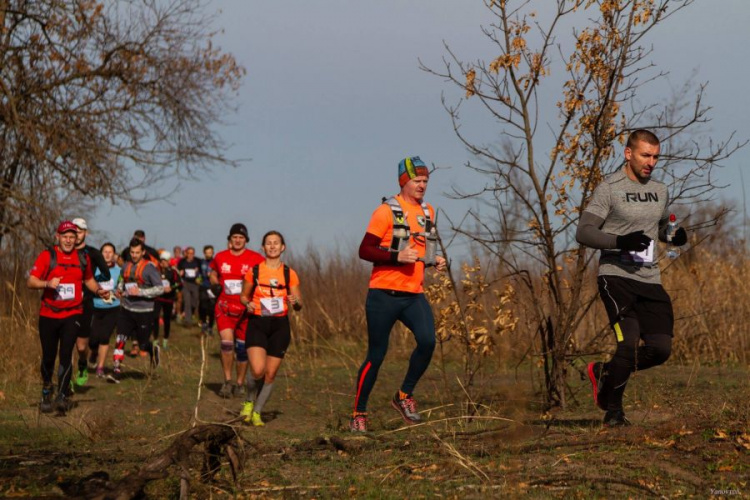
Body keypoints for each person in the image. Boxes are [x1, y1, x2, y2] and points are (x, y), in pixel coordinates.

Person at [576, 129, 688, 427]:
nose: (651, 162)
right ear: (628, 153)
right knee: (627, 345)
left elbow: (662, 228)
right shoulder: (609, 188)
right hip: (616, 278)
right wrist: (619, 241)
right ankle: (614, 413)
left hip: (649, 280)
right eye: (645, 155)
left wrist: (674, 236)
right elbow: (584, 232)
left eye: (655, 157)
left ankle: (604, 372)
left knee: (660, 349)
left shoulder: (660, 190)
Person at [350, 156, 447, 432]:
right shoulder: (386, 211)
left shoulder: (428, 211)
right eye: (417, 181)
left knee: (428, 342)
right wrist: (396, 257)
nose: (422, 186)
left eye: (426, 181)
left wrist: (434, 261)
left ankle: (404, 395)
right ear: (404, 181)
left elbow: (421, 251)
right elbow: (364, 250)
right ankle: (359, 414)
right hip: (382, 294)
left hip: (413, 294)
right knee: (377, 355)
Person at [27, 221, 108, 414]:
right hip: (48, 314)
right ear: (58, 237)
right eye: (65, 236)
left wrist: (98, 290)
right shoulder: (48, 256)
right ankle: (47, 389)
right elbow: (31, 281)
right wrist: (47, 283)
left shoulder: (82, 258)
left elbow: (88, 279)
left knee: (65, 353)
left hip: (73, 313)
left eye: (72, 236)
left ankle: (62, 395)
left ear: (77, 238)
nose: (69, 240)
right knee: (48, 356)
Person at [238, 231, 302, 426]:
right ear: (263, 248)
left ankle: (257, 412)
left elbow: (299, 304)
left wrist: (295, 301)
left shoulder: (289, 273)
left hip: (280, 326)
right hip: (258, 322)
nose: (273, 246)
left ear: (283, 247)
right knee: (257, 370)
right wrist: (247, 304)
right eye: (269, 243)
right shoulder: (254, 271)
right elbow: (243, 296)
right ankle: (249, 400)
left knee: (270, 374)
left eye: (276, 243)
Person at [209, 223, 264, 398]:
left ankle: (239, 383)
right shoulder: (220, 257)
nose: (238, 240)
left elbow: (263, 278)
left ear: (246, 240)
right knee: (226, 344)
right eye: (234, 237)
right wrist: (215, 283)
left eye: (241, 237)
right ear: (230, 240)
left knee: (241, 349)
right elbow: (212, 273)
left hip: (246, 311)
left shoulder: (255, 258)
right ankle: (227, 381)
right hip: (224, 308)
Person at [113, 238, 164, 380]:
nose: (134, 255)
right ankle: (116, 369)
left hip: (144, 311)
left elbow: (160, 289)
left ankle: (152, 350)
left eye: (137, 252)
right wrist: (119, 290)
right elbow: (122, 281)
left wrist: (140, 292)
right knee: (120, 338)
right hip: (127, 309)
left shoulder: (149, 268)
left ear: (143, 252)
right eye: (132, 252)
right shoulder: (126, 266)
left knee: (142, 344)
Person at [71, 217, 111, 387]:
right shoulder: (64, 251)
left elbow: (106, 274)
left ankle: (82, 363)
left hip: (86, 302)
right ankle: (66, 380)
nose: (76, 235)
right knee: (66, 344)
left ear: (85, 233)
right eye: (74, 232)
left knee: (81, 347)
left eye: (79, 231)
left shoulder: (93, 253)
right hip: (66, 303)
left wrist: (92, 284)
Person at [90, 242, 121, 380]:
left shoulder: (119, 271)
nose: (108, 254)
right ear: (101, 254)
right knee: (92, 339)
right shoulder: (94, 269)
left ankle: (100, 367)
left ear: (114, 255)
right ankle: (93, 352)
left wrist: (120, 291)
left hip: (112, 308)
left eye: (110, 252)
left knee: (104, 337)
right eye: (105, 251)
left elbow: (123, 286)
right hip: (95, 307)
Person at [153, 251, 181, 350]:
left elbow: (179, 283)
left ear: (169, 261)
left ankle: (165, 340)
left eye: (165, 261)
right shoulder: (156, 271)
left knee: (167, 319)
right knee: (155, 317)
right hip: (158, 297)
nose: (163, 263)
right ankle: (155, 340)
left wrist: (171, 288)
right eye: (161, 261)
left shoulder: (173, 272)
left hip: (168, 299)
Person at [177, 246, 201, 327]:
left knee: (195, 301)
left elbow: (202, 272)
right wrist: (180, 273)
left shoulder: (198, 261)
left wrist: (198, 275)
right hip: (186, 283)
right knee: (187, 301)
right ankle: (188, 321)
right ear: (186, 254)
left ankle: (190, 314)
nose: (190, 255)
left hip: (195, 283)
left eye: (192, 253)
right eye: (189, 253)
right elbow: (178, 271)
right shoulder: (182, 262)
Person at [198, 245, 217, 335]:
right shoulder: (202, 262)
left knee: (212, 308)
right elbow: (198, 273)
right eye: (207, 253)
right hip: (203, 286)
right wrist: (198, 278)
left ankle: (210, 327)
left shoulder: (216, 262)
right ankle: (204, 323)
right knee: (203, 306)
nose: (209, 254)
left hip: (212, 288)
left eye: (210, 252)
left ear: (213, 253)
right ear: (204, 253)